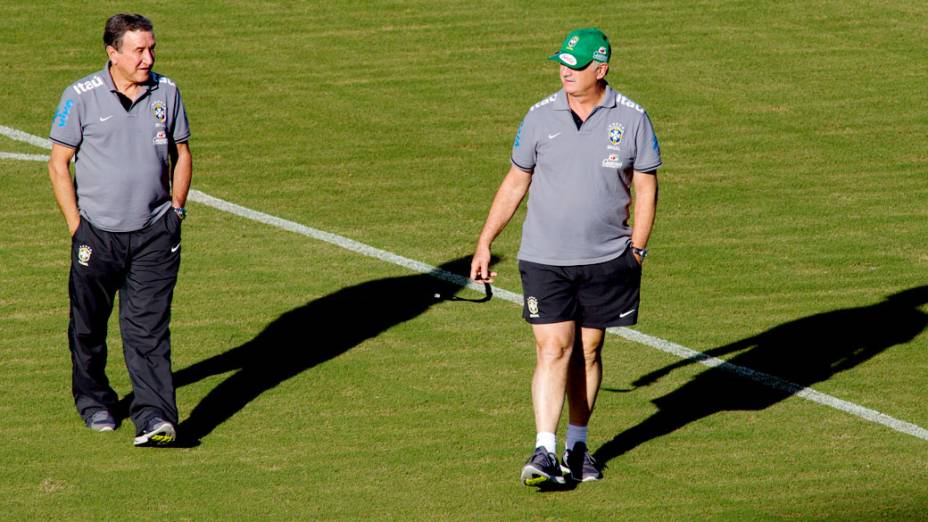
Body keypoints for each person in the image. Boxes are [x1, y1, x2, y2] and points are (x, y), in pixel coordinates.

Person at [470, 27, 661, 486]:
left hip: (607, 258)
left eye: (574, 66)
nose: (565, 72)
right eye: (561, 63)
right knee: (553, 347)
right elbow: (516, 180)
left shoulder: (632, 118)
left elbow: (646, 184)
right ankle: (544, 448)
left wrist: (637, 247)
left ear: (601, 69)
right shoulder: (539, 117)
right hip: (545, 257)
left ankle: (578, 446)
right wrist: (484, 239)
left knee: (589, 351)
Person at [48, 13, 192, 447]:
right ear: (113, 53)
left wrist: (176, 211)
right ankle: (94, 400)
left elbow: (182, 153)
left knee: (148, 329)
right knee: (88, 326)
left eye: (152, 49)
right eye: (139, 50)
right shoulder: (80, 97)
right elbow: (59, 163)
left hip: (154, 235)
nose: (148, 58)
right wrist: (78, 228)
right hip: (98, 236)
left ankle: (154, 418)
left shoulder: (167, 92)